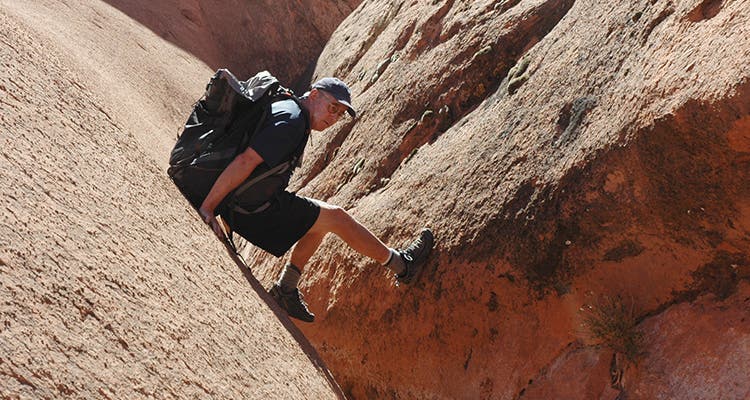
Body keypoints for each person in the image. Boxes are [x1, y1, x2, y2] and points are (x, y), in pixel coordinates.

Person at [197, 77, 434, 322]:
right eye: (332, 108)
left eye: (339, 114)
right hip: (251, 210)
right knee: (336, 218)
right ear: (313, 95)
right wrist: (209, 207)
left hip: (245, 203)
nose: (333, 118)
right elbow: (246, 161)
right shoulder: (291, 122)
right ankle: (403, 266)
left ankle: (286, 288)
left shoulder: (288, 109)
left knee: (320, 218)